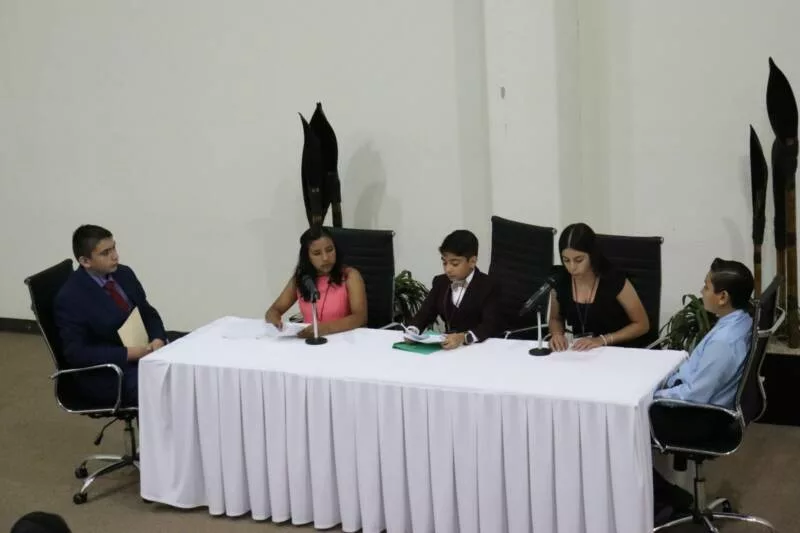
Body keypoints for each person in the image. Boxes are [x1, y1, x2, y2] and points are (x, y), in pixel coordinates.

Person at [651, 258, 755, 520]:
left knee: (620, 425)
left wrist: (654, 396)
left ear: (723, 297)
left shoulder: (724, 342)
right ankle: (668, 494)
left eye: (706, 286)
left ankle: (659, 500)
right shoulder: (741, 320)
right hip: (713, 407)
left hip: (703, 418)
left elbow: (694, 395)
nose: (701, 291)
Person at [54, 225, 166, 406]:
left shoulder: (124, 273)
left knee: (186, 370)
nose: (115, 256)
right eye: (105, 253)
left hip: (144, 352)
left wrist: (158, 338)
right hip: (108, 372)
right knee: (165, 387)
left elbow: (147, 312)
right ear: (85, 261)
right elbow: (76, 353)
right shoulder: (71, 297)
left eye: (114, 248)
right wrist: (129, 353)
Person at [549, 223, 649, 351]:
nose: (572, 267)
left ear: (592, 255)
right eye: (566, 260)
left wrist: (602, 340)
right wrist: (557, 334)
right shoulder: (560, 279)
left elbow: (642, 325)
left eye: (579, 260)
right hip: (583, 351)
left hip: (619, 350)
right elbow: (555, 318)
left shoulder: (613, 279)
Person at [265, 227, 367, 337]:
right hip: (308, 341)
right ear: (307, 257)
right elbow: (274, 310)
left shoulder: (350, 276)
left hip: (343, 339)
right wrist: (275, 321)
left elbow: (360, 318)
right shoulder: (301, 278)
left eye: (330, 250)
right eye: (317, 253)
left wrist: (326, 328)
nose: (325, 258)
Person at [406, 229, 501, 349]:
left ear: (472, 261)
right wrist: (413, 330)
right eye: (444, 263)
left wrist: (463, 337)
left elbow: (489, 326)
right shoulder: (440, 282)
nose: (448, 269)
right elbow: (425, 313)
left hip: (479, 348)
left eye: (455, 264)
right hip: (448, 348)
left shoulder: (489, 285)